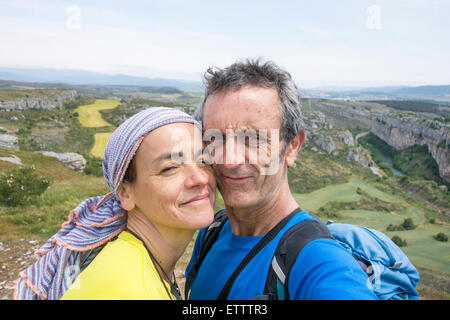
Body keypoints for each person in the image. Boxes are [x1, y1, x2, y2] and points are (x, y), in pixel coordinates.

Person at [185, 59, 378, 300]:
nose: (229, 160)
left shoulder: (315, 260)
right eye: (214, 138)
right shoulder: (211, 232)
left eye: (252, 138)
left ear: (292, 146)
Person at [14, 107, 216, 300]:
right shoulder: (131, 290)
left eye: (203, 160)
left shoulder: (127, 259)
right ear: (126, 193)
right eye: (170, 168)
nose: (200, 178)